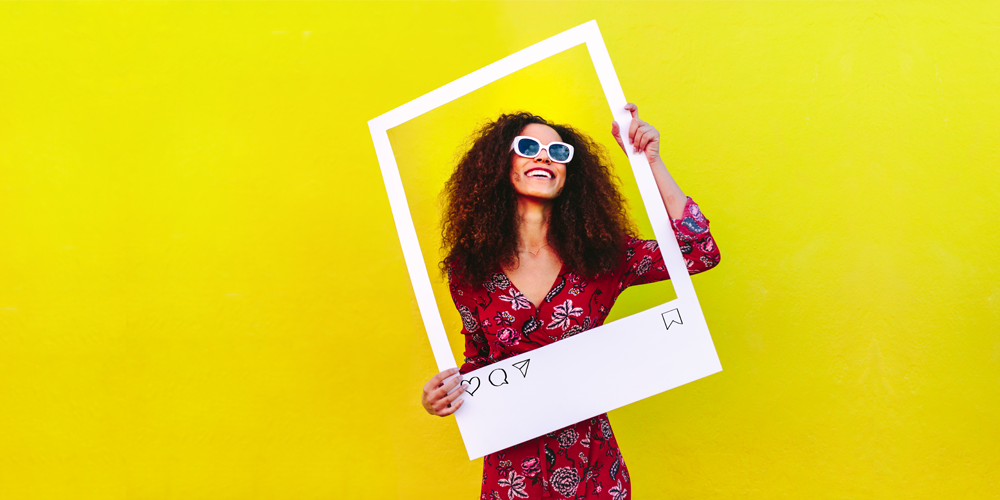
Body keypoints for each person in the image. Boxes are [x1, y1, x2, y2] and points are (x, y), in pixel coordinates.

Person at [421, 104, 721, 499]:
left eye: (560, 153)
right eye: (528, 146)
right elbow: (480, 360)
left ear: (569, 176)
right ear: (501, 162)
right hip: (513, 472)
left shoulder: (601, 257)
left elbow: (698, 251)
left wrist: (651, 164)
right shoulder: (469, 269)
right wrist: (443, 396)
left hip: (592, 464)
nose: (545, 156)